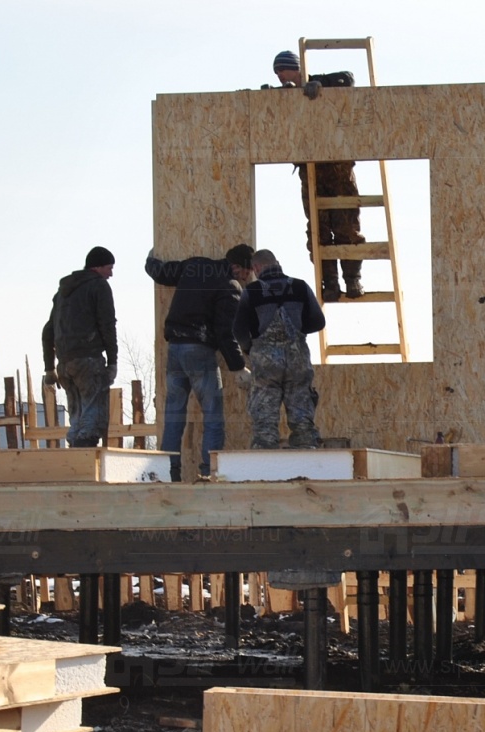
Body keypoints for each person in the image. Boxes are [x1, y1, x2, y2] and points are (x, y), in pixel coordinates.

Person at [145, 244, 254, 481]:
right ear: (236, 267)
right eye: (247, 272)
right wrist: (238, 367)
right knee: (213, 417)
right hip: (200, 351)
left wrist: (150, 261)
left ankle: (168, 474)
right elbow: (225, 333)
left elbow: (162, 273)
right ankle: (209, 473)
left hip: (175, 349)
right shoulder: (230, 286)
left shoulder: (195, 266)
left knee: (174, 416)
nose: (248, 277)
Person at [270, 50, 364, 303]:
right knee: (317, 232)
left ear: (296, 68)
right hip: (310, 172)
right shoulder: (287, 96)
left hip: (338, 169)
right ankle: (329, 282)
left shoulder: (322, 83)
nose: (279, 75)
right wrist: (276, 97)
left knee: (347, 227)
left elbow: (348, 78)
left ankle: (352, 279)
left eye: (282, 70)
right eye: (276, 72)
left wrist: (319, 84)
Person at [233, 249, 326, 450]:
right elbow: (319, 322)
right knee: (301, 409)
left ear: (256, 268)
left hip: (266, 363)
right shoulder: (300, 286)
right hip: (297, 360)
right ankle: (307, 450)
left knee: (265, 416)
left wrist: (250, 348)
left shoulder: (252, 291)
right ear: (277, 263)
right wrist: (297, 333)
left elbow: (238, 329)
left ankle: (265, 456)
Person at [41, 246, 117, 448]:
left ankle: (75, 459)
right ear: (97, 267)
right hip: (88, 360)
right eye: (109, 268)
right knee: (92, 418)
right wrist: (113, 361)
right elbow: (107, 325)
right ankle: (86, 460)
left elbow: (48, 331)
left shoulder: (62, 293)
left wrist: (49, 368)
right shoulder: (99, 286)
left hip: (65, 364)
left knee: (76, 418)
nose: (111, 274)